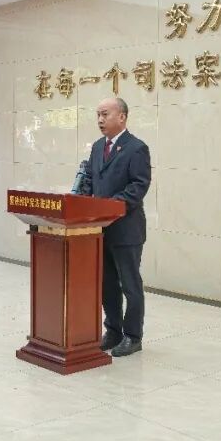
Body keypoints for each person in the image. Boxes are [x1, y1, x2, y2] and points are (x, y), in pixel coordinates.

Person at [80, 97, 152, 357]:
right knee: (107, 283)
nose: (100, 120)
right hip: (100, 229)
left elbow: (138, 186)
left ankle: (133, 336)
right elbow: (90, 179)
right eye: (98, 115)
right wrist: (82, 201)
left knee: (130, 284)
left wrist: (109, 206)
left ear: (122, 117)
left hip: (126, 230)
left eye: (105, 114)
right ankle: (113, 330)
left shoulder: (137, 148)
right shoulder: (97, 147)